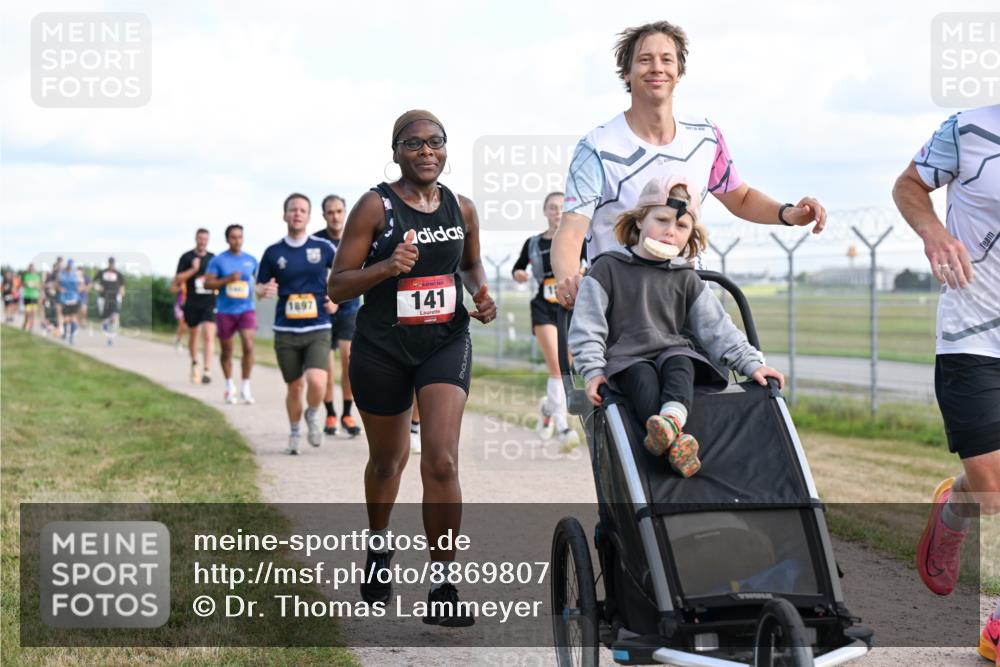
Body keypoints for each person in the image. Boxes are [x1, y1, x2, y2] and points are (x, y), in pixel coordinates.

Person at [328, 110, 496, 625]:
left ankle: (443, 585)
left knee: (442, 460)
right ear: (396, 151)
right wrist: (385, 267)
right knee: (388, 462)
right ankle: (379, 547)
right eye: (415, 144)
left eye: (436, 143)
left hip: (444, 340)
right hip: (382, 348)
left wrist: (480, 293)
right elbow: (337, 286)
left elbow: (468, 264)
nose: (427, 152)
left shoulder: (461, 207)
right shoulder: (374, 207)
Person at [552, 20, 826, 308]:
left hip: (686, 299)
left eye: (666, 59)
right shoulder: (598, 146)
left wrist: (789, 214)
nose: (656, 67)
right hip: (620, 305)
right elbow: (571, 230)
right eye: (644, 60)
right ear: (627, 73)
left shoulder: (705, 136)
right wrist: (568, 278)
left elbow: (741, 198)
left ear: (679, 72)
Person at [569, 176, 784, 477]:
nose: (670, 232)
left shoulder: (686, 278)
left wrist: (752, 364)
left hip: (672, 352)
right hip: (627, 359)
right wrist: (592, 372)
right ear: (640, 220)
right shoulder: (607, 269)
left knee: (681, 363)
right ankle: (677, 445)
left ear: (690, 235)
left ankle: (670, 422)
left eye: (681, 226)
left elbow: (718, 329)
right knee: (642, 376)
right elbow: (587, 328)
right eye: (662, 220)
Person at [892, 103, 1000, 664]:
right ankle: (955, 504)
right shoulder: (967, 129)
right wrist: (933, 232)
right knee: (991, 486)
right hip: (972, 334)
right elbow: (909, 184)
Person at [256, 194, 337, 454]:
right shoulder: (273, 252)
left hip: (318, 326)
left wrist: (337, 300)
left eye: (302, 210)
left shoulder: (324, 248)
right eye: (293, 210)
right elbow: (259, 286)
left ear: (309, 216)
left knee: (316, 381)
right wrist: (263, 290)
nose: (297, 214)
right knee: (295, 385)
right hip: (286, 330)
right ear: (285, 215)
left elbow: (344, 274)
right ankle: (293, 432)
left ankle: (313, 414)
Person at [512, 191, 583, 448]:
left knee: (567, 365)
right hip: (543, 307)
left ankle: (547, 409)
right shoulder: (533, 243)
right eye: (552, 207)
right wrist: (519, 274)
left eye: (561, 208)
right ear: (545, 212)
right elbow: (518, 268)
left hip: (570, 307)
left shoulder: (579, 241)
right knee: (556, 365)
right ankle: (563, 428)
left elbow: (591, 264)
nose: (556, 212)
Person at [313, 194, 362, 437]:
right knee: (327, 365)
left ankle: (347, 414)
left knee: (348, 360)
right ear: (324, 216)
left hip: (349, 307)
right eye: (330, 212)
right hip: (322, 309)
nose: (335, 216)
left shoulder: (356, 238)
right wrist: (328, 300)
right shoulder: (316, 243)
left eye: (339, 211)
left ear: (345, 213)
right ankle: (330, 413)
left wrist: (340, 301)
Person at [204, 224, 259, 404]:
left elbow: (260, 282)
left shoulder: (251, 260)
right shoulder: (218, 261)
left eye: (240, 237)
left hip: (246, 309)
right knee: (227, 350)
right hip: (225, 311)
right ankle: (229, 386)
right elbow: (207, 284)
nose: (237, 240)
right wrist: (228, 279)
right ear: (228, 239)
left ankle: (246, 386)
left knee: (249, 345)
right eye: (233, 237)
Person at [175, 229, 217, 383]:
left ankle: (207, 370)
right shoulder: (186, 257)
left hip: (209, 302)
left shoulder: (213, 259)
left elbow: (219, 277)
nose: (202, 241)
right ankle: (195, 363)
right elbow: (178, 278)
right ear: (196, 239)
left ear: (208, 240)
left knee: (208, 334)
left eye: (205, 239)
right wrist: (193, 269)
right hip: (192, 302)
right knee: (194, 335)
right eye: (200, 238)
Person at [93, 257, 125, 346]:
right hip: (103, 298)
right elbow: (94, 283)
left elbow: (122, 287)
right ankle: (106, 329)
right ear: (108, 263)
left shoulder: (118, 274)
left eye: (113, 263)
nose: (112, 265)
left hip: (114, 298)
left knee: (114, 317)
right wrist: (98, 287)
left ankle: (110, 338)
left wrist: (121, 295)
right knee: (105, 319)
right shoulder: (102, 273)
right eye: (110, 263)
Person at [57, 259, 83, 344]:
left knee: (73, 318)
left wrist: (79, 288)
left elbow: (81, 286)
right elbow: (56, 284)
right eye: (69, 266)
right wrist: (60, 288)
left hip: (74, 298)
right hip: (65, 298)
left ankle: (71, 337)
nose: (70, 268)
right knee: (66, 318)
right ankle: (64, 333)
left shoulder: (76, 274)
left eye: (71, 266)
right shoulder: (62, 274)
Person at [20, 264, 41, 331]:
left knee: (33, 313)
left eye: (33, 268)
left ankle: (31, 327)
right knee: (27, 313)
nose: (32, 269)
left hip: (35, 297)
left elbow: (39, 286)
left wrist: (36, 286)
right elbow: (24, 284)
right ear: (29, 269)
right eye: (30, 268)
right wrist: (27, 284)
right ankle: (25, 324)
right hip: (27, 297)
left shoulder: (37, 277)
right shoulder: (26, 276)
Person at [170, 279, 188, 352]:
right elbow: (172, 290)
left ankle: (178, 338)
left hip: (189, 306)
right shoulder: (180, 280)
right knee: (182, 323)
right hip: (180, 305)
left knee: (185, 327)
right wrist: (180, 288)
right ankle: (178, 342)